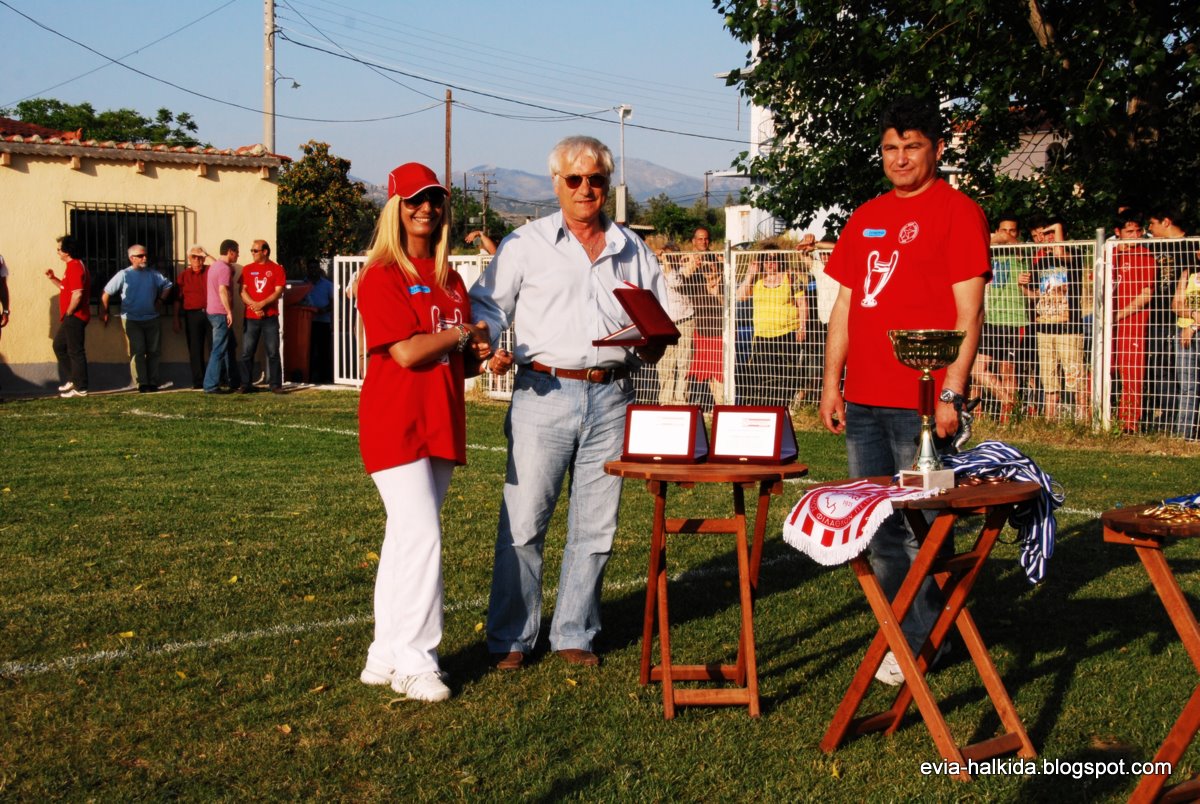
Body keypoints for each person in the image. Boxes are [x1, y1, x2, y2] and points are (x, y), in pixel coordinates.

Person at [469, 135, 668, 670]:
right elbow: (487, 306)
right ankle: (511, 638)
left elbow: (659, 318)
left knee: (597, 524)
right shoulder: (525, 243)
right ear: (555, 183)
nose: (585, 189)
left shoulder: (632, 248)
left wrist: (654, 341)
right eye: (574, 179)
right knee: (524, 522)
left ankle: (576, 631)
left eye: (596, 179)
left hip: (613, 394)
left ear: (608, 184)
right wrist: (487, 344)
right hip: (544, 392)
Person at [818, 96, 989, 686]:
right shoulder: (865, 215)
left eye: (911, 146)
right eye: (890, 148)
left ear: (936, 149)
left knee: (927, 525)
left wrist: (952, 391)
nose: (900, 158)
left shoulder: (959, 212)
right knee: (878, 529)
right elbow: (845, 306)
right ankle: (916, 634)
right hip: (863, 400)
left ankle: (922, 641)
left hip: (921, 403)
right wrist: (832, 383)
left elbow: (969, 311)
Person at [355, 162, 494, 702]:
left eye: (434, 199)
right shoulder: (381, 274)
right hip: (396, 420)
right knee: (421, 537)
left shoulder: (450, 279)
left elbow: (454, 359)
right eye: (414, 200)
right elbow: (408, 352)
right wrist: (462, 333)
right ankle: (416, 661)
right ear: (395, 207)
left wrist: (483, 356)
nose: (426, 209)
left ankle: (385, 654)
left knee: (405, 539)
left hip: (440, 418)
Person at [1018, 217, 1089, 421]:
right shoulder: (1041, 262)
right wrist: (1022, 286)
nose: (1044, 239)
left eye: (1050, 233)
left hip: (1068, 328)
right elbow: (1035, 295)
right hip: (1045, 328)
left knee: (1075, 376)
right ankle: (1050, 419)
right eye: (1041, 235)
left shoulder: (1073, 254)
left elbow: (1059, 252)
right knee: (1049, 378)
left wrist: (1056, 228)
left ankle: (1083, 417)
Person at [973, 218, 1029, 421]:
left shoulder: (1020, 252)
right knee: (978, 369)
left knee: (1008, 369)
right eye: (1004, 229)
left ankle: (1009, 417)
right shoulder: (989, 252)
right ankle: (1011, 403)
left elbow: (1005, 239)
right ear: (996, 230)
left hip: (1014, 318)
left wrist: (992, 238)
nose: (1007, 234)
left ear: (1017, 234)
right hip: (991, 317)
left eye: (1012, 230)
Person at [737, 243, 806, 407]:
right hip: (762, 335)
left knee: (786, 373)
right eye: (766, 259)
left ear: (780, 260)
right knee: (764, 373)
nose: (770, 263)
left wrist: (802, 327)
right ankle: (768, 406)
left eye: (774, 259)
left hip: (787, 333)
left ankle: (784, 405)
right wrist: (750, 274)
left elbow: (802, 303)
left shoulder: (790, 277)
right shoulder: (757, 280)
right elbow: (741, 296)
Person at [1152, 211, 1200, 440]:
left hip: (1190, 330)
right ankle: (1183, 434)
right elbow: (1176, 304)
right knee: (1186, 385)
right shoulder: (1188, 273)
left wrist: (1193, 326)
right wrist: (1192, 316)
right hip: (1183, 331)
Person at [101, 244, 173, 392]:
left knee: (154, 351)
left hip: (152, 318)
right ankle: (141, 383)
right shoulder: (124, 274)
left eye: (145, 255)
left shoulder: (153, 274)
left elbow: (168, 285)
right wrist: (104, 311)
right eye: (140, 256)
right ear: (131, 258)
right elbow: (106, 292)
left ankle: (153, 382)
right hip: (132, 319)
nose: (144, 258)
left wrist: (160, 301)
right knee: (138, 351)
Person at [1111, 212, 1156, 433]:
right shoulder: (1108, 254)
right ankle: (1097, 417)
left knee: (1131, 373)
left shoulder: (1145, 256)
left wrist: (1118, 315)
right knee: (1099, 370)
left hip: (1132, 324)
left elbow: (1146, 295)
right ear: (1117, 232)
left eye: (1138, 231)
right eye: (1130, 232)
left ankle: (1128, 424)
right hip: (1107, 326)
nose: (1135, 236)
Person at [46, 236, 92, 398]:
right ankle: (74, 379)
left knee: (75, 351)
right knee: (59, 346)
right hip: (71, 316)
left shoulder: (75, 267)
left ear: (67, 251)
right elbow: (65, 288)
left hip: (75, 316)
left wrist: (69, 312)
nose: (57, 252)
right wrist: (53, 278)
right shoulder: (72, 266)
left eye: (59, 249)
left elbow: (77, 294)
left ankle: (81, 388)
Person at [238, 240, 286, 394]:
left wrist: (263, 303)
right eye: (251, 250)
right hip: (251, 317)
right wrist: (255, 305)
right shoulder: (247, 269)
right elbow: (242, 291)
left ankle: (275, 384)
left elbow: (278, 291)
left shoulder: (277, 269)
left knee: (273, 352)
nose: (252, 253)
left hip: (270, 317)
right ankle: (246, 384)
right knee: (247, 352)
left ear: (265, 252)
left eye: (255, 250)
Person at [656, 238, 695, 405]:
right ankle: (666, 400)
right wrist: (659, 258)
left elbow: (675, 282)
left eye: (672, 256)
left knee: (684, 362)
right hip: (665, 322)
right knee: (666, 363)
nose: (669, 259)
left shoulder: (683, 270)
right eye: (667, 256)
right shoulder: (656, 271)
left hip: (684, 320)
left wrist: (670, 265)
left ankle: (681, 400)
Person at [202, 240, 241, 395]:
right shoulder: (224, 269)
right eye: (237, 252)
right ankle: (210, 385)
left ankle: (234, 381)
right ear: (230, 251)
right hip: (220, 313)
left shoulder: (215, 266)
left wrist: (206, 255)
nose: (238, 255)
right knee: (219, 349)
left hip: (213, 312)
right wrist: (229, 312)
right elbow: (222, 290)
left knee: (230, 347)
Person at [175, 246, 212, 389]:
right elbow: (178, 299)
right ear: (189, 259)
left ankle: (217, 378)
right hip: (192, 315)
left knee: (214, 347)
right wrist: (176, 318)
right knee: (195, 348)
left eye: (200, 257)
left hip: (211, 313)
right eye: (193, 257)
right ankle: (198, 381)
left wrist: (206, 254)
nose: (197, 260)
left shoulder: (210, 271)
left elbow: (224, 268)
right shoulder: (184, 276)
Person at [299, 260, 335, 384]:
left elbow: (334, 302)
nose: (313, 270)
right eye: (311, 268)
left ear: (319, 269)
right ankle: (308, 376)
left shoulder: (327, 285)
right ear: (307, 269)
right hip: (306, 323)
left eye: (315, 267)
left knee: (324, 350)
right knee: (307, 351)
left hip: (323, 321)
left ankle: (325, 377)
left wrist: (324, 310)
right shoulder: (302, 285)